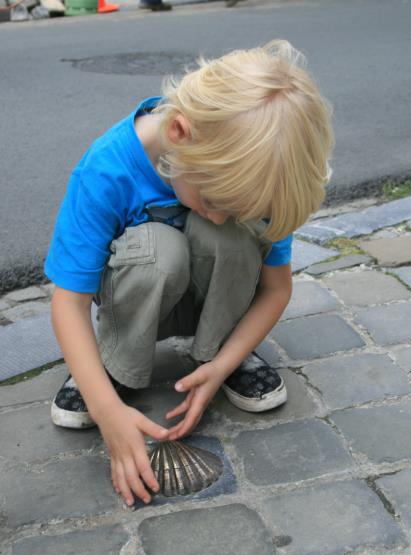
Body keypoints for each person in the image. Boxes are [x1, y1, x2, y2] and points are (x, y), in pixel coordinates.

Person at [45, 40, 333, 508]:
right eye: (216, 201)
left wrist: (221, 366)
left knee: (231, 238)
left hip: (217, 310)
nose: (220, 215)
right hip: (139, 298)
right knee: (161, 249)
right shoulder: (106, 167)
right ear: (180, 132)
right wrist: (107, 410)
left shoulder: (261, 172)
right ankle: (111, 367)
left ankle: (217, 349)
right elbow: (68, 301)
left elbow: (277, 288)